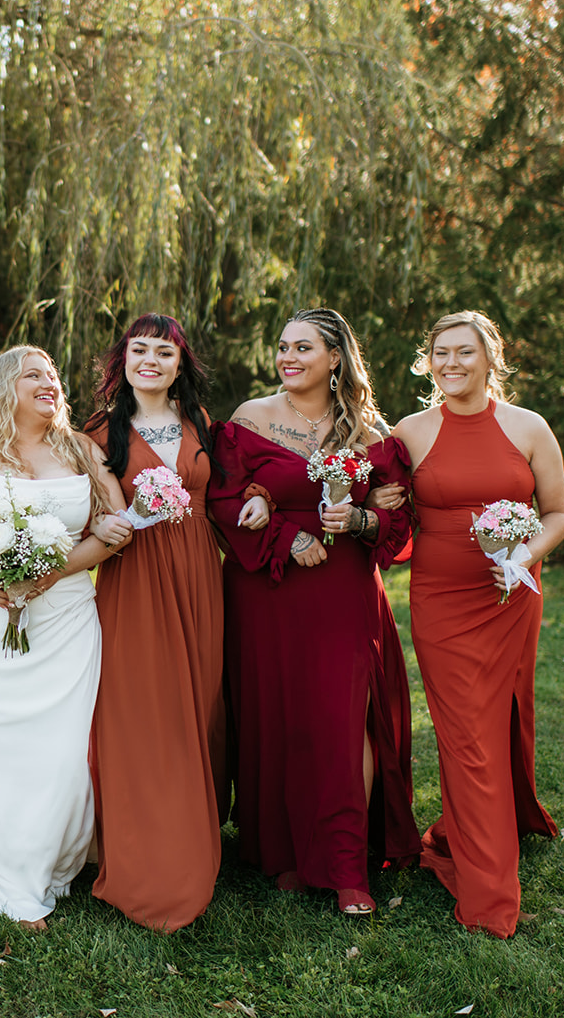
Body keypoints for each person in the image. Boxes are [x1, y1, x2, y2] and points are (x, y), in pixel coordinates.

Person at [207, 307, 421, 917]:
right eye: (282, 347)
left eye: (304, 347)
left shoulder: (371, 432)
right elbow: (223, 501)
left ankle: (348, 865)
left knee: (343, 717)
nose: (289, 357)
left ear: (335, 358)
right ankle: (289, 855)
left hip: (343, 591)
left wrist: (359, 517)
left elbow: (400, 522)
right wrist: (282, 536)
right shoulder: (250, 418)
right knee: (280, 717)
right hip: (266, 590)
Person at [0, 346, 128, 928]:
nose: (50, 384)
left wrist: (50, 573)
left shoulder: (80, 449)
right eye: (34, 374)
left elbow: (117, 526)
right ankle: (9, 877)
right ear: (5, 385)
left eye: (55, 376)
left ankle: (54, 862)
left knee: (62, 750)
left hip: (65, 617)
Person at [391, 310, 564, 937]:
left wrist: (522, 556)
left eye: (464, 352)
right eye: (440, 354)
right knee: (466, 734)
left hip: (510, 596)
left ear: (491, 357)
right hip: (441, 599)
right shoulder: (410, 433)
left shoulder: (528, 428)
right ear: (428, 360)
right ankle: (490, 893)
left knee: (501, 718)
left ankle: (496, 821)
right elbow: (375, 497)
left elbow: (556, 513)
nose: (451, 364)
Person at [82, 314, 241, 932]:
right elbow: (87, 508)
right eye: (139, 350)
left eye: (164, 352)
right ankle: (150, 862)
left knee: (198, 707)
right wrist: (102, 524)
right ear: (122, 361)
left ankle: (195, 838)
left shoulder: (203, 424)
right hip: (136, 578)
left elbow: (230, 492)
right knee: (145, 710)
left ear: (181, 364)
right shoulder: (97, 433)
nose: (150, 360)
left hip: (199, 573)